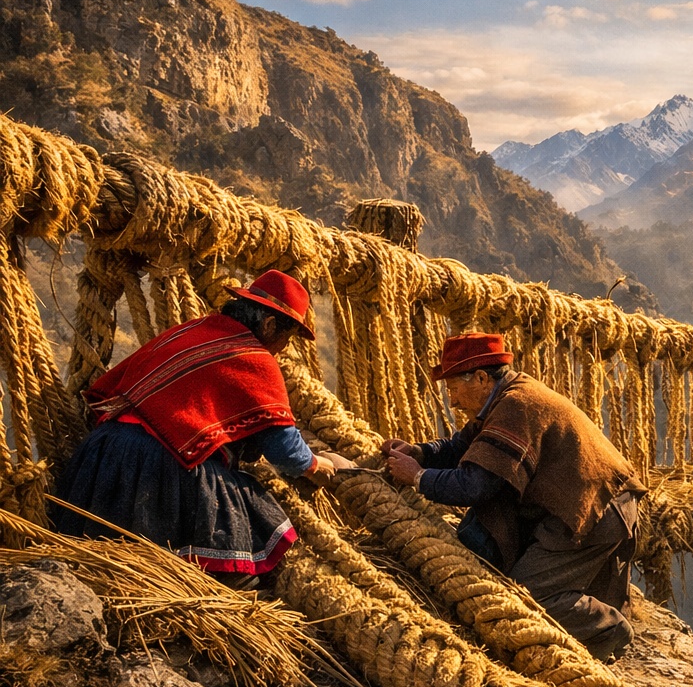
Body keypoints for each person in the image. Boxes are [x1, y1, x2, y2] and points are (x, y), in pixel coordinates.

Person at [52, 271, 343, 585]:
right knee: (247, 508)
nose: (283, 349)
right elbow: (283, 449)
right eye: (287, 338)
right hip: (156, 467)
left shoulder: (193, 330)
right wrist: (315, 464)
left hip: (101, 454)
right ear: (270, 325)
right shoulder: (254, 358)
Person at [383, 333, 646, 661]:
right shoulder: (502, 398)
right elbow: (462, 447)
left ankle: (612, 630)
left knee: (529, 596)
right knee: (530, 587)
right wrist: (420, 453)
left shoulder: (516, 405)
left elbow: (477, 485)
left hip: (594, 508)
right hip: (582, 502)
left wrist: (418, 477)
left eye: (453, 389)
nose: (452, 401)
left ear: (480, 378)